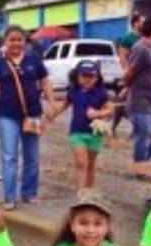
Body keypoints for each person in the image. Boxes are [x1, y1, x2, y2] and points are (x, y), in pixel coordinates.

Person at [0, 25, 55, 211]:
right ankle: (9, 196)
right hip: (6, 114)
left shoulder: (34, 59)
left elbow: (45, 82)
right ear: (5, 42)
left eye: (19, 39)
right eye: (12, 40)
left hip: (32, 114)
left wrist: (51, 103)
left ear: (24, 41)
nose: (16, 43)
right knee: (9, 156)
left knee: (32, 155)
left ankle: (29, 193)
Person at [48, 59, 113, 192]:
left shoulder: (101, 92)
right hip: (76, 132)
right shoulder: (73, 91)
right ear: (77, 76)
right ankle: (80, 193)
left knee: (90, 165)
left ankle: (88, 192)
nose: (87, 79)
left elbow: (110, 109)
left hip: (94, 133)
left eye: (91, 76)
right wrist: (51, 115)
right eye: (84, 76)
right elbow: (63, 106)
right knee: (81, 163)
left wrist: (98, 113)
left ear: (97, 77)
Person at [124, 15, 151, 164]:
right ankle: (140, 165)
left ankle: (150, 160)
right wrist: (127, 87)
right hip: (140, 99)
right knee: (144, 133)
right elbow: (129, 72)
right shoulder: (140, 48)